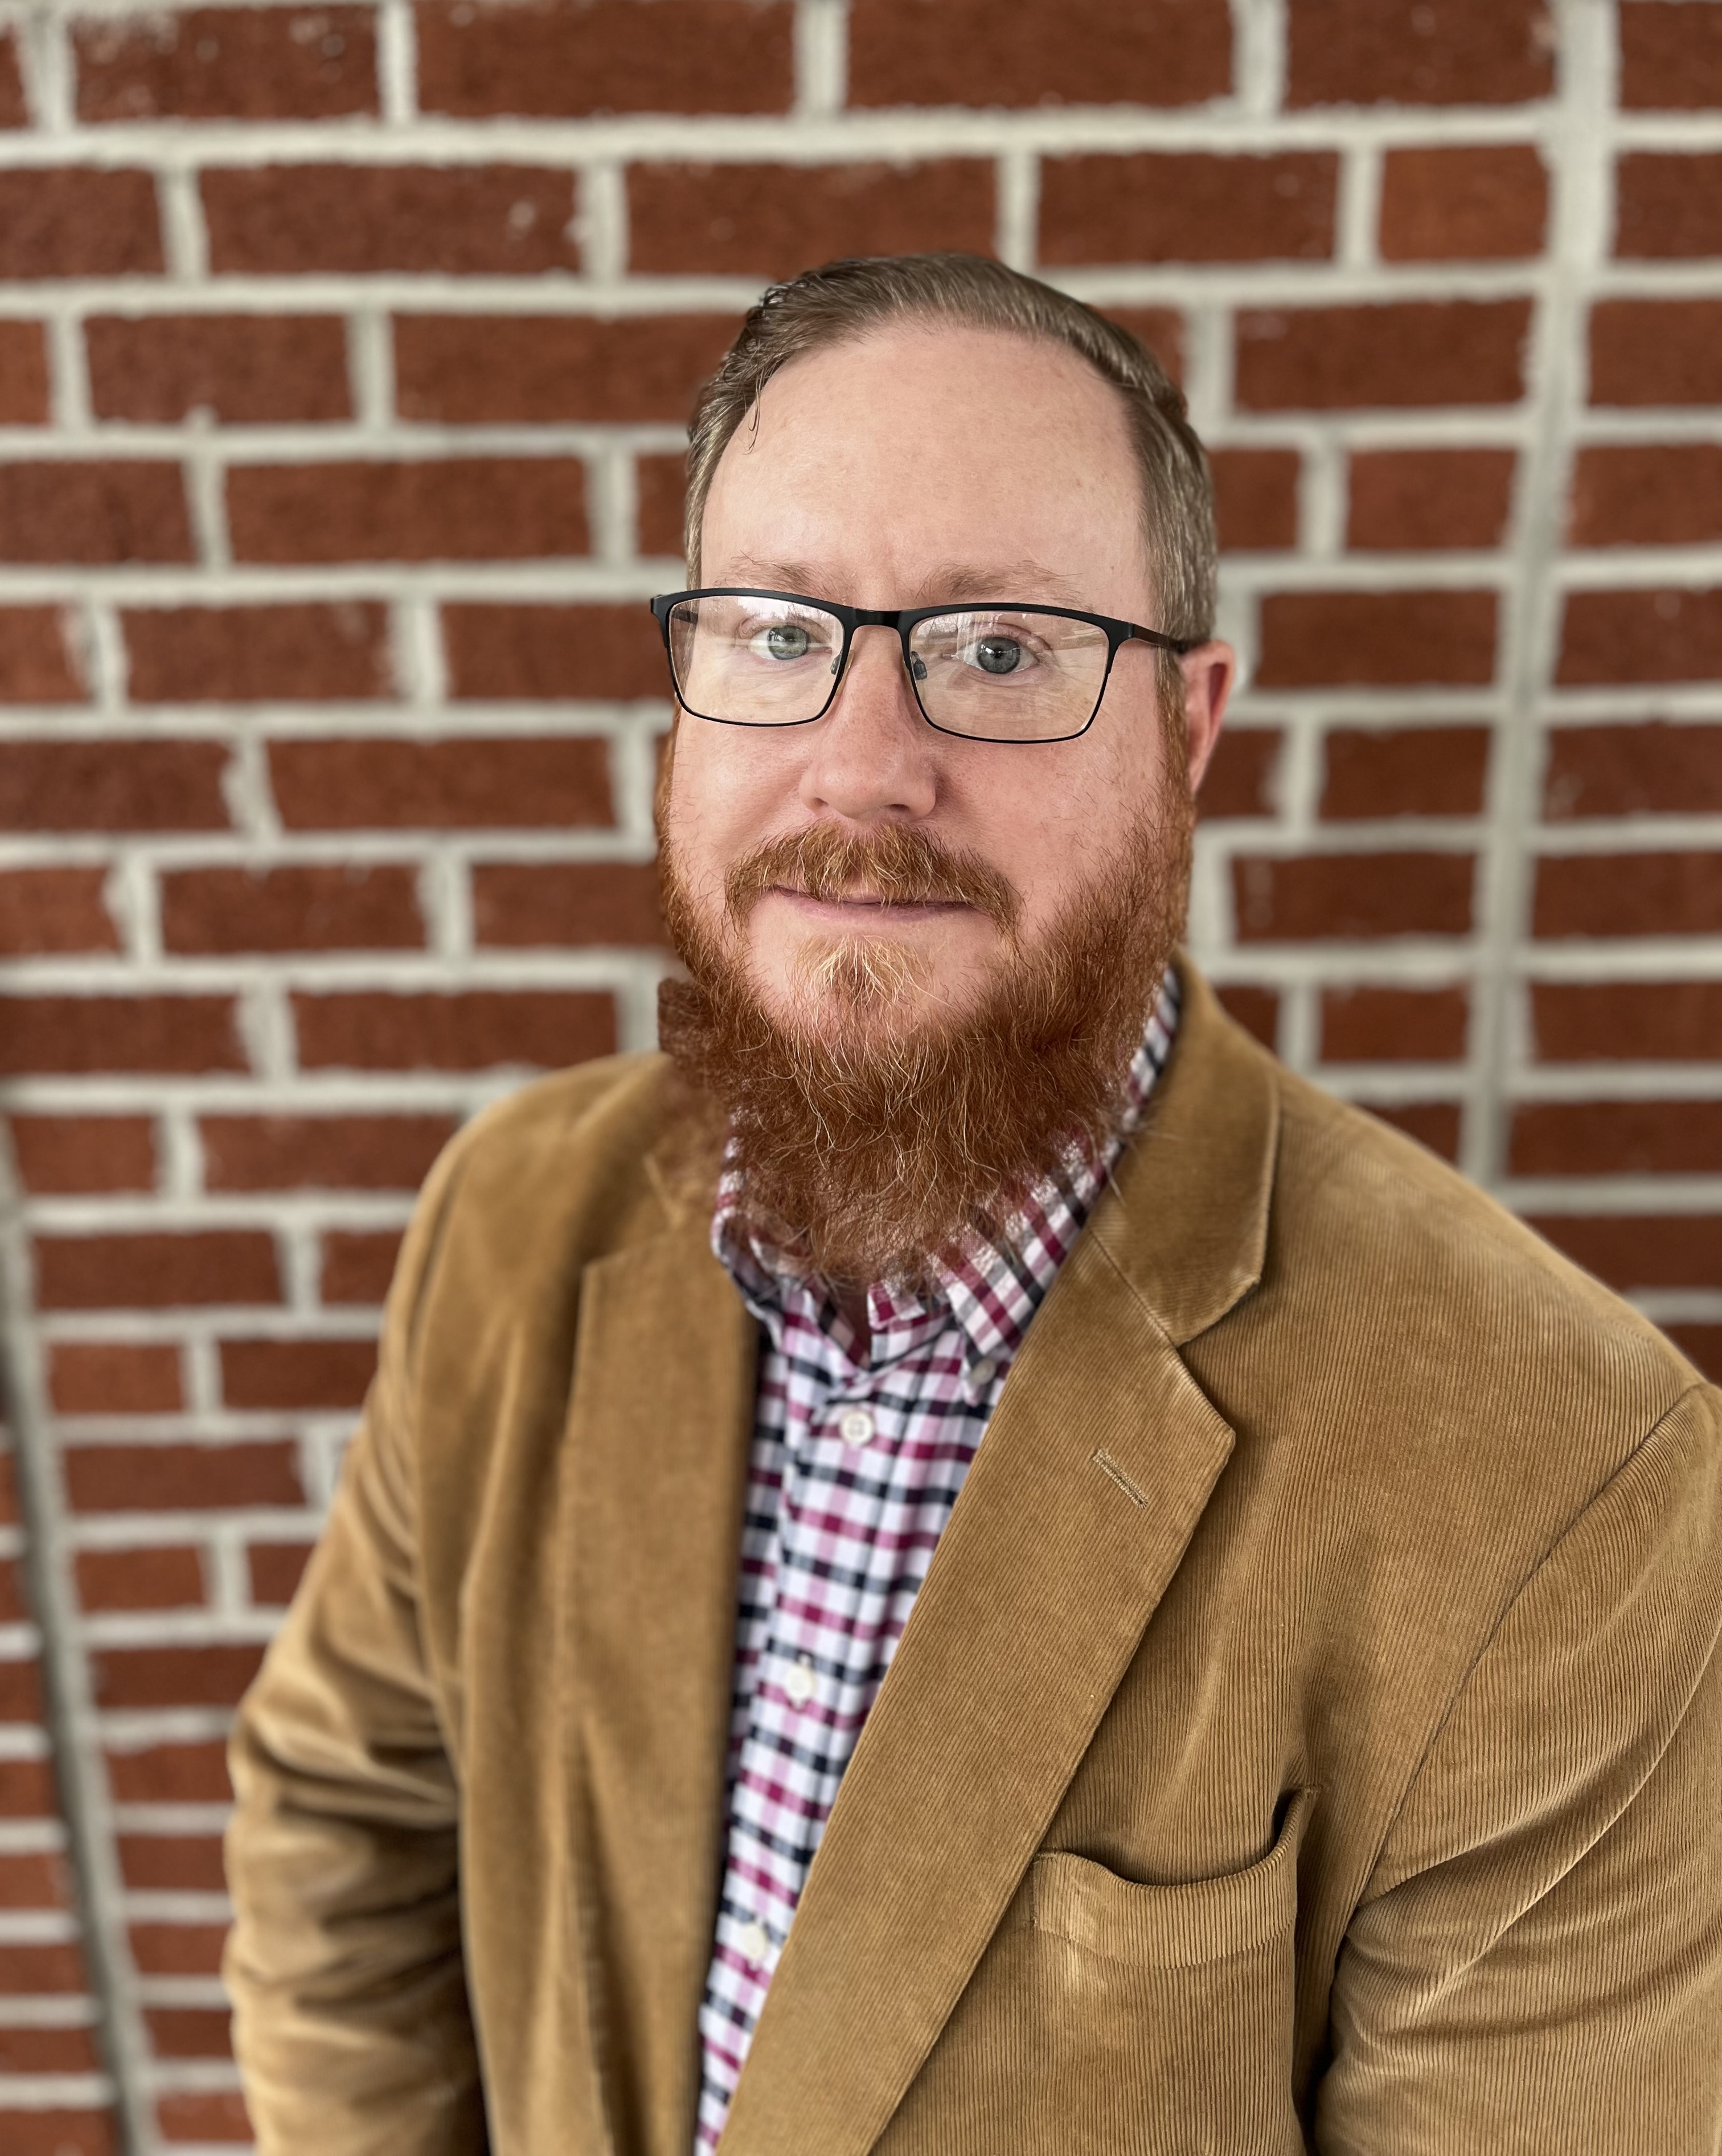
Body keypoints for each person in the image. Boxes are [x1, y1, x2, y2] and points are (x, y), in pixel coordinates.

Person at [223, 253, 1722, 2156]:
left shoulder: (1575, 1500)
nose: (863, 768)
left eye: (1002, 649)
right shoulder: (514, 1222)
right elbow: (343, 1832)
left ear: (1187, 731)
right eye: (777, 630)